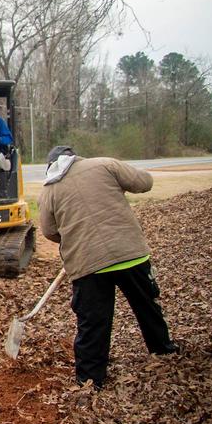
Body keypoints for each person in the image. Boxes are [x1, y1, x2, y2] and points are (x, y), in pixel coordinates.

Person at [38, 145, 179, 389]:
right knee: (147, 306)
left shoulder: (49, 191)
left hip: (88, 265)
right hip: (129, 254)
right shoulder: (105, 164)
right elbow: (144, 182)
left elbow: (50, 231)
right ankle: (163, 349)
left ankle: (90, 379)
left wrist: (74, 238)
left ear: (51, 166)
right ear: (74, 156)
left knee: (93, 322)